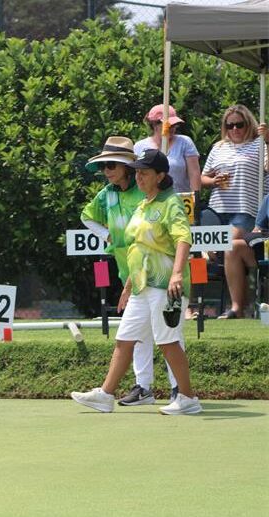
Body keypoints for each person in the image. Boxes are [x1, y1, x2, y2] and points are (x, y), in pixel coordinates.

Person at [72, 149, 202, 415]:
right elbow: (139, 248)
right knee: (125, 338)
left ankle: (188, 398)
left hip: (166, 286)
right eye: (137, 172)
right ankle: (105, 395)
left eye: (144, 173)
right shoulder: (144, 204)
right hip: (142, 285)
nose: (138, 177)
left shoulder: (171, 203)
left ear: (160, 176)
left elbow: (183, 239)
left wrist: (177, 274)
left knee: (167, 341)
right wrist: (129, 286)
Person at [80, 137, 178, 405]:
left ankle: (178, 390)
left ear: (128, 167)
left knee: (166, 335)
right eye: (104, 166)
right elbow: (86, 216)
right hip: (129, 268)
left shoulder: (146, 192)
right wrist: (107, 236)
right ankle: (143, 387)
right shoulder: (107, 194)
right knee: (137, 332)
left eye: (112, 164)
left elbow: (173, 233)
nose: (107, 171)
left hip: (157, 272)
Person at [200, 105, 269, 318]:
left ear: (249, 124)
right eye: (230, 125)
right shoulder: (219, 147)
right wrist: (213, 181)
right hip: (218, 207)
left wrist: (267, 140)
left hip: (245, 208)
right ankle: (195, 305)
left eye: (240, 124)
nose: (235, 129)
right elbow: (203, 178)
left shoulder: (259, 145)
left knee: (228, 246)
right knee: (200, 253)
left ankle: (238, 306)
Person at [134, 104, 201, 195]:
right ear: (154, 125)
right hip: (150, 200)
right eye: (168, 125)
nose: (172, 128)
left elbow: (194, 173)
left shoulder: (184, 142)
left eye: (174, 125)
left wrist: (195, 197)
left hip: (181, 199)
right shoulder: (140, 146)